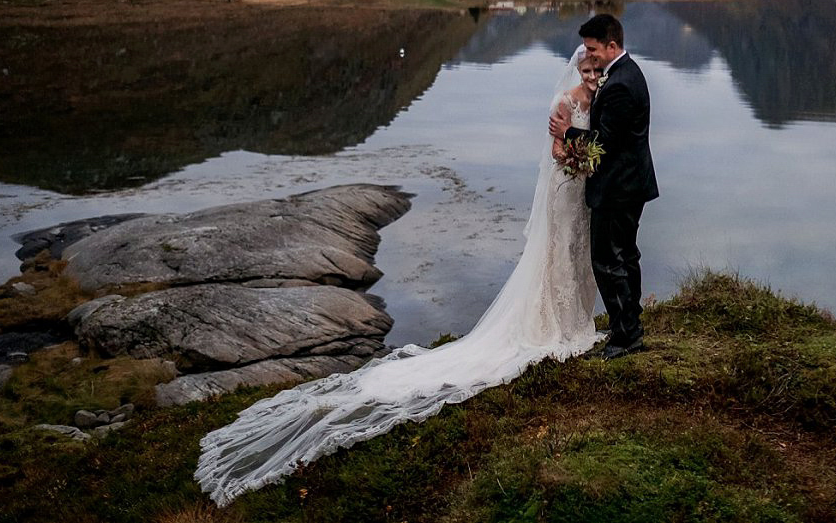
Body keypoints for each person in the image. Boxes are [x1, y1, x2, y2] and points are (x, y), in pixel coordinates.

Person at [196, 47, 605, 506]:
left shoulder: (602, 97)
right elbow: (555, 150)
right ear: (577, 70)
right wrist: (573, 157)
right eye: (586, 70)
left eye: (595, 70)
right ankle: (553, 325)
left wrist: (585, 158)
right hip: (566, 188)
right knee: (554, 260)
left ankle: (573, 320)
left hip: (583, 194)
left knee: (576, 259)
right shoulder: (564, 103)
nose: (591, 76)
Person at [549, 13, 658, 360]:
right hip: (629, 183)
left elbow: (602, 141)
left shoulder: (622, 84)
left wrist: (566, 132)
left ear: (612, 46)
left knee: (609, 260)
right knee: (625, 254)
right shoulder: (625, 74)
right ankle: (627, 323)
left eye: (593, 49)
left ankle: (626, 336)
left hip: (619, 186)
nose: (589, 55)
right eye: (586, 49)